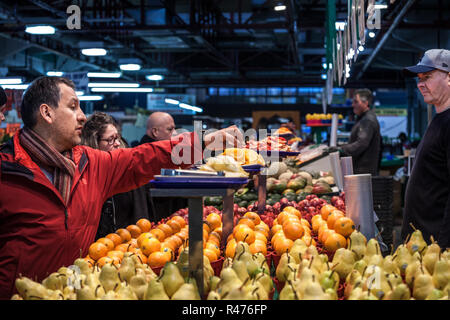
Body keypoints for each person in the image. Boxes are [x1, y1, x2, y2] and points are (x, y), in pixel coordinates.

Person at [0, 76, 243, 299]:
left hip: (74, 292)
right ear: (47, 113)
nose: (82, 116)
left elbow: (144, 157)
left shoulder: (90, 163)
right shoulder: (6, 171)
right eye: (73, 107)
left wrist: (201, 141)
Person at [401, 49, 450, 248]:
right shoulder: (439, 118)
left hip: (435, 245)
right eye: (419, 78)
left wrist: (443, 247)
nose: (420, 84)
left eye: (427, 77)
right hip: (421, 241)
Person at [81, 112, 151, 239]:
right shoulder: (85, 175)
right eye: (110, 140)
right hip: (95, 249)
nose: (117, 143)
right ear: (94, 142)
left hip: (126, 245)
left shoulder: (127, 168)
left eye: (117, 138)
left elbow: (140, 212)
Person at [138, 112, 186, 222]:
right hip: (155, 219)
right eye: (170, 130)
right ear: (155, 132)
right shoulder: (146, 155)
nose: (175, 133)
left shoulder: (170, 154)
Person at [338, 88, 381, 175]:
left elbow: (361, 143)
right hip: (362, 171)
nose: (353, 105)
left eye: (356, 102)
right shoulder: (363, 118)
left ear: (366, 103)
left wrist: (341, 149)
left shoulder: (368, 120)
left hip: (363, 172)